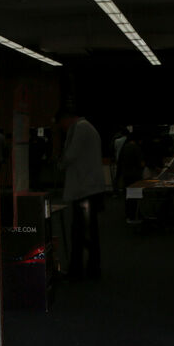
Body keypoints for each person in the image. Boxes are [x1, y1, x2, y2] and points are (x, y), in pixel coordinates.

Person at [56, 106, 107, 279]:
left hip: (85, 190)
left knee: (82, 232)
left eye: (61, 124)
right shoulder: (87, 127)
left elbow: (70, 155)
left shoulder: (80, 128)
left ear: (65, 119)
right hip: (89, 189)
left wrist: (60, 162)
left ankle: (81, 270)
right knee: (86, 231)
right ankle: (88, 269)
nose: (62, 128)